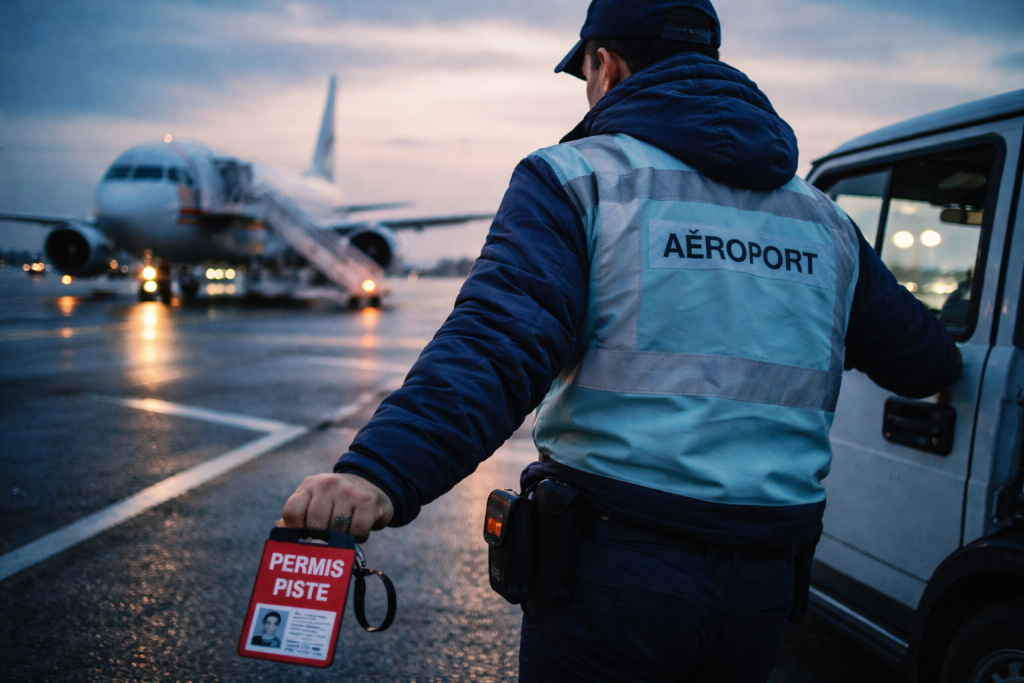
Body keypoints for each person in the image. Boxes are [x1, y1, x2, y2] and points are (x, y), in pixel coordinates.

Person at [280, 1, 961, 680]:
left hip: (614, 573)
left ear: (605, 65)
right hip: (763, 585)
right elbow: (921, 357)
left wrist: (380, 472)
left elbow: (495, 347)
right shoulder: (824, 220)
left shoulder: (578, 180)